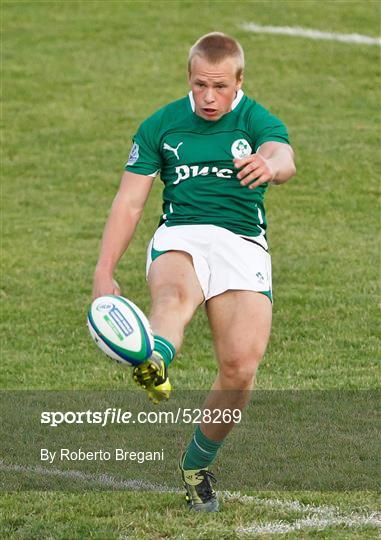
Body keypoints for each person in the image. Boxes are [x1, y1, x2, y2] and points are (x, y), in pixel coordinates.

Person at [92, 32, 296, 512]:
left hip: (242, 243)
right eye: (201, 84)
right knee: (174, 299)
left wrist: (269, 167)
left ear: (239, 81)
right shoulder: (161, 126)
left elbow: (283, 156)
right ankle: (154, 358)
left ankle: (196, 463)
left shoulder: (256, 118)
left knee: (240, 368)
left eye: (220, 86)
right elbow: (130, 200)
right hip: (180, 235)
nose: (209, 96)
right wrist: (104, 270)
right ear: (189, 76)